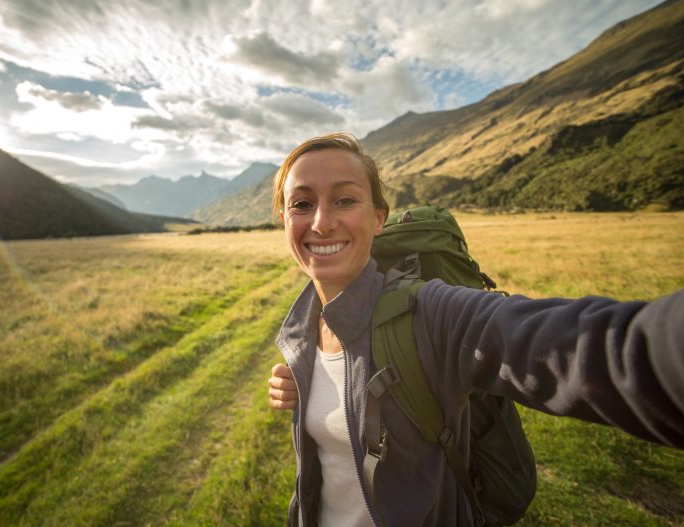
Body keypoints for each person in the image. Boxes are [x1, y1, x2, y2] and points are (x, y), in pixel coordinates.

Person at [267, 132, 684, 527]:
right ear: (284, 218)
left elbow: (583, 346)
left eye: (344, 199)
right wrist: (308, 385)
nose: (321, 222)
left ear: (379, 219)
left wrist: (664, 352)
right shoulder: (304, 324)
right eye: (302, 204)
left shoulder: (431, 312)